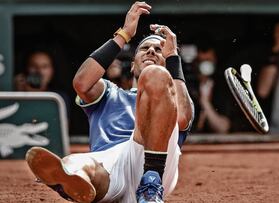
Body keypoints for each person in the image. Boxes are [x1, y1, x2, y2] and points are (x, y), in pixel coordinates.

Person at [26, 2, 194, 203]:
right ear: (132, 65)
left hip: (157, 163)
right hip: (110, 164)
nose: (151, 51)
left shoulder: (173, 96)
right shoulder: (110, 93)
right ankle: (72, 179)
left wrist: (173, 57)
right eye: (145, 48)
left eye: (159, 50)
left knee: (155, 75)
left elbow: (183, 118)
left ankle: (151, 185)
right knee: (76, 163)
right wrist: (124, 34)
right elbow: (81, 83)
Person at [14, 50, 70, 115]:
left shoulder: (58, 98)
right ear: (26, 69)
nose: (39, 71)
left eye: (45, 67)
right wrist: (19, 94)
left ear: (52, 71)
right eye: (34, 66)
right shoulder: (16, 92)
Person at [194, 45, 231, 133]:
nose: (204, 66)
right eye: (200, 61)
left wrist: (205, 102)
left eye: (208, 61)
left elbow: (223, 128)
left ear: (215, 60)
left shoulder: (223, 87)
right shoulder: (184, 85)